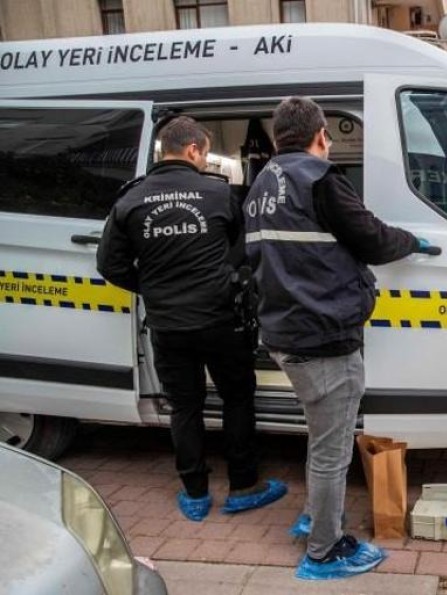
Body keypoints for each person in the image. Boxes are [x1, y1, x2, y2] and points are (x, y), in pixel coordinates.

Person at [244, 97, 430, 580]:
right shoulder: (321, 179)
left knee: (322, 437)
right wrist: (412, 241)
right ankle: (324, 551)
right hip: (323, 337)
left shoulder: (261, 185)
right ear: (321, 135)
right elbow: (373, 238)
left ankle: (315, 516)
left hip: (286, 332)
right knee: (332, 450)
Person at [97, 116, 286, 522]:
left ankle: (195, 494)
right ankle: (243, 487)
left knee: (184, 406)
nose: (203, 161)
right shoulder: (218, 194)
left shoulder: (131, 199)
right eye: (203, 154)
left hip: (168, 323)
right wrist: (221, 280)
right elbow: (242, 250)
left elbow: (109, 264)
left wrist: (152, 288)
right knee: (237, 398)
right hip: (221, 319)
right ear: (193, 150)